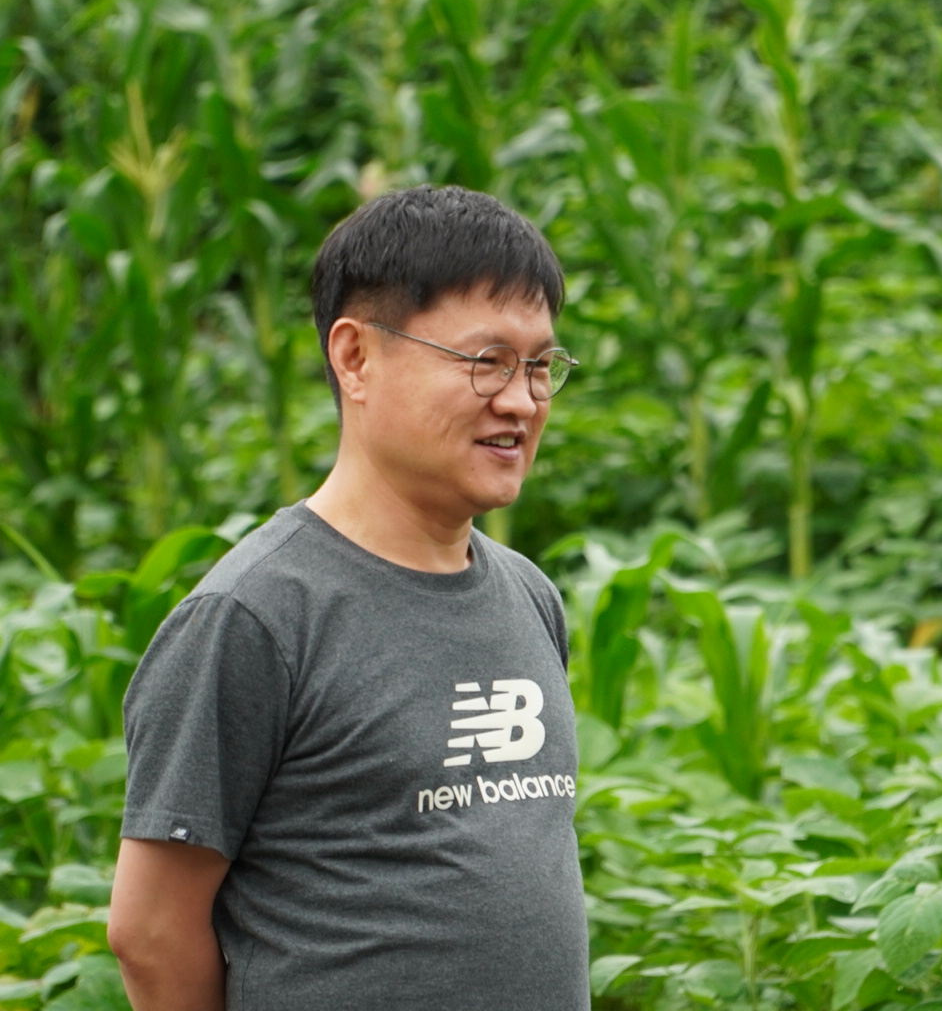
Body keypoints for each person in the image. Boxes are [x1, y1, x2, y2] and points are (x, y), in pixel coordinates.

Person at [106, 185, 589, 1011]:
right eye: (486, 361)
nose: (520, 400)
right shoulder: (255, 618)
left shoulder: (529, 598)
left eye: (541, 366)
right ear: (356, 357)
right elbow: (150, 931)